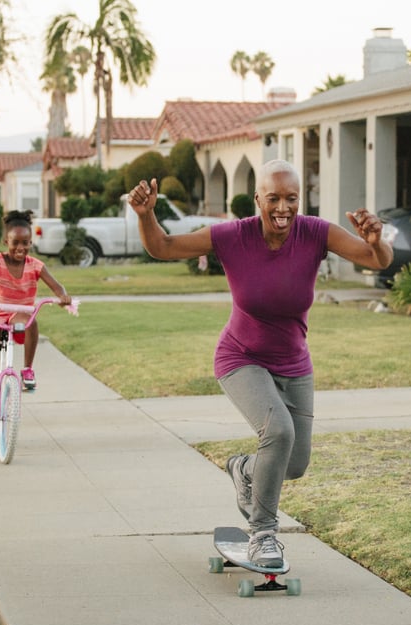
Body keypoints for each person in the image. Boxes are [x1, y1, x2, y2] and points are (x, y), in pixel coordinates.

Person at [128, 159, 393, 568]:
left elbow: (378, 261)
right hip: (241, 357)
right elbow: (163, 247)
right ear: (257, 200)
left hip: (294, 362)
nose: (283, 208)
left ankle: (244, 470)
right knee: (278, 431)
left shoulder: (316, 233)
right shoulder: (233, 237)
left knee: (296, 463)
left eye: (291, 198)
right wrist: (147, 216)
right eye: (274, 198)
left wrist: (375, 240)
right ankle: (264, 534)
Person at [0, 209, 71, 428]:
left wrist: (62, 296)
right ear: (6, 241)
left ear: (31, 242)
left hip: (18, 311)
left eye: (26, 243)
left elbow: (56, 285)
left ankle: (27, 369)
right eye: (15, 242)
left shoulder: (36, 266)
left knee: (30, 321)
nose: (20, 248)